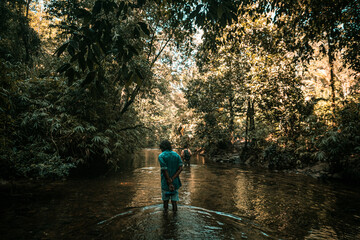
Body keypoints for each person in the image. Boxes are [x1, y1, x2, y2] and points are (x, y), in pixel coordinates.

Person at [158, 140, 183, 211]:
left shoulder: (161, 156)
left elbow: (164, 170)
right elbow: (180, 168)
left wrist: (169, 182)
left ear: (162, 148)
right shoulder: (176, 155)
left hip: (165, 182)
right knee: (174, 202)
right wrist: (173, 179)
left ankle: (165, 218)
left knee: (165, 202)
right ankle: (175, 218)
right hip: (175, 182)